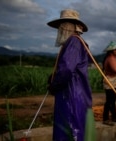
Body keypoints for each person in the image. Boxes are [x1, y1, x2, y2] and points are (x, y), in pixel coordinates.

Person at [47, 9, 94, 141]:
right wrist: (53, 77)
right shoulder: (76, 42)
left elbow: (66, 69)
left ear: (69, 27)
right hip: (76, 95)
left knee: (69, 133)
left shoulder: (73, 42)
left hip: (71, 96)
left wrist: (54, 85)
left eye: (62, 26)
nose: (60, 29)